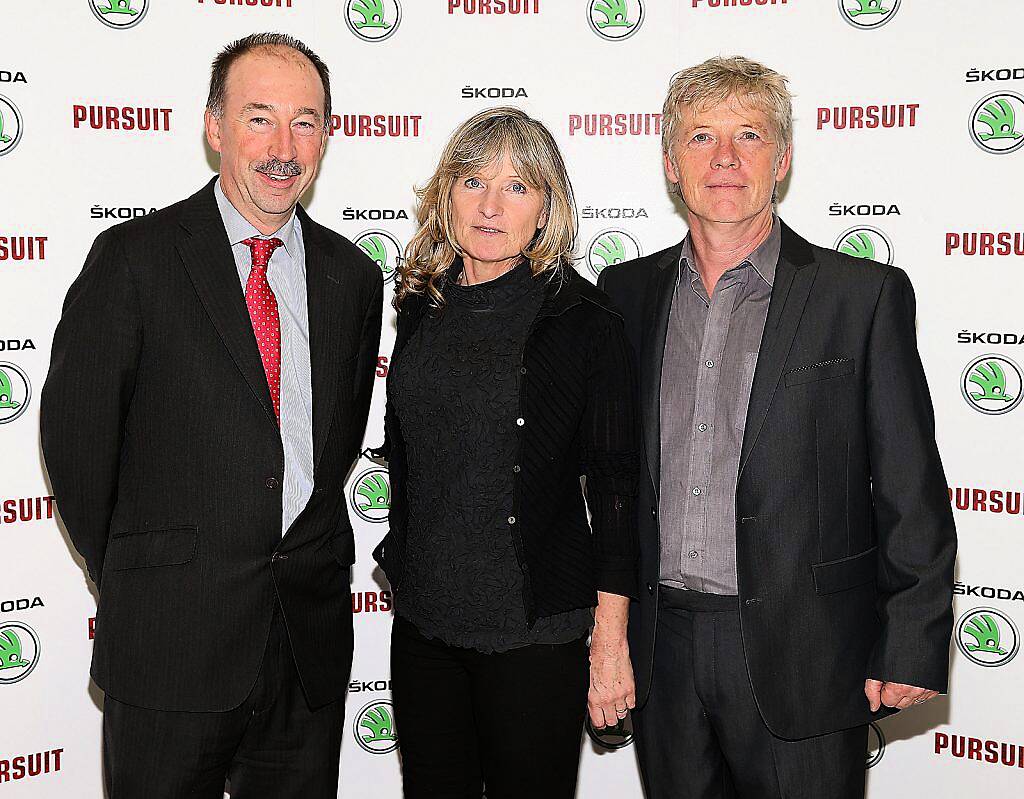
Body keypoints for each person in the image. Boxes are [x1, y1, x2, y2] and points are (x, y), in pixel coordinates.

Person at [599, 56, 957, 799]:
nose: (724, 158)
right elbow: (610, 481)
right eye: (701, 137)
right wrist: (607, 637)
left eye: (749, 136)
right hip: (663, 648)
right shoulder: (625, 293)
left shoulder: (861, 296)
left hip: (809, 648)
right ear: (671, 163)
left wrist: (912, 639)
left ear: (783, 158)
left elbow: (908, 481)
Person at [40, 33, 382, 798]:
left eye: (306, 121)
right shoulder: (134, 259)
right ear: (213, 127)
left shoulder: (353, 277)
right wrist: (149, 568)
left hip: (305, 647)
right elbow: (78, 448)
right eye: (259, 118)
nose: (284, 146)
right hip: (170, 639)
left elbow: (333, 451)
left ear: (327, 135)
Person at [372, 106, 639, 798]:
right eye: (472, 181)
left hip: (533, 636)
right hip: (425, 629)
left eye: (517, 187)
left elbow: (617, 492)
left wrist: (609, 646)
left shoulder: (580, 321)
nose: (491, 205)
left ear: (546, 208)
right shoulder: (418, 304)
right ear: (446, 194)